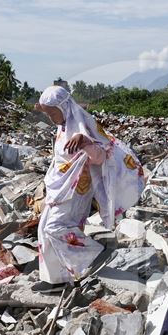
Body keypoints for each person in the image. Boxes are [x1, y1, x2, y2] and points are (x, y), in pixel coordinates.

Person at [33, 85, 144, 290]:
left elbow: (103, 155)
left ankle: (96, 254)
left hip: (77, 189)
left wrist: (85, 143)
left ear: (63, 107)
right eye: (47, 113)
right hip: (60, 187)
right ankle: (55, 280)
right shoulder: (64, 125)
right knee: (44, 228)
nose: (50, 117)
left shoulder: (84, 125)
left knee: (56, 228)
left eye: (52, 112)